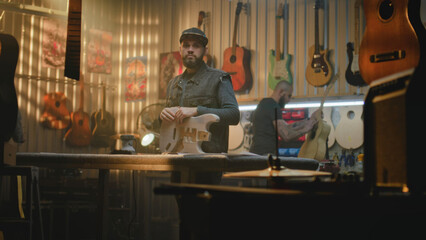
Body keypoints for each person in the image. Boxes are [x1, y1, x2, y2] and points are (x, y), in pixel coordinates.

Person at [160, 27, 240, 153]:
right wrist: (163, 115)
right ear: (180, 50)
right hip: (176, 159)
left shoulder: (219, 78)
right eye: (186, 45)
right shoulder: (172, 84)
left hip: (208, 163)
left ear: (205, 51)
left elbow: (233, 115)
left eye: (196, 46)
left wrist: (197, 110)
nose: (190, 50)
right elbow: (167, 125)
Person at [249, 80, 318, 156]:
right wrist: (306, 129)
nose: (289, 100)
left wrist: (308, 121)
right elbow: (286, 136)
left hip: (259, 154)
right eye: (289, 96)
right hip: (263, 155)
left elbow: (287, 128)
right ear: (281, 92)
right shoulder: (273, 106)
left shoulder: (266, 104)